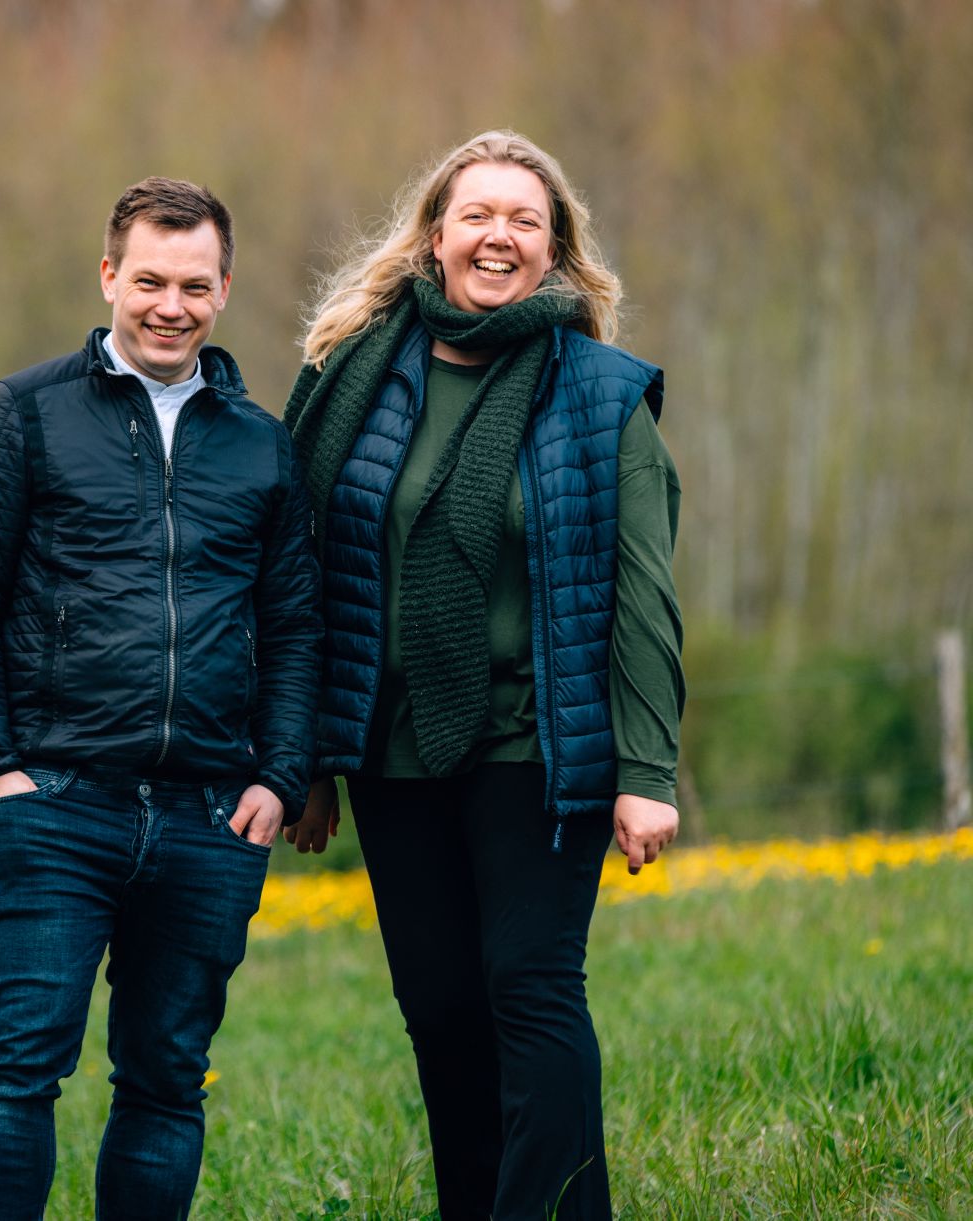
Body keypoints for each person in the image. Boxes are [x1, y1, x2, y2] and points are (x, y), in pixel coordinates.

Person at [280, 130, 683, 1219]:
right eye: (477, 215)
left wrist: (647, 768)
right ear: (434, 236)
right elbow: (304, 573)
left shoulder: (599, 395)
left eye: (525, 220)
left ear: (556, 253)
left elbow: (641, 594)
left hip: (540, 748)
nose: (498, 235)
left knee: (531, 990)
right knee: (443, 1008)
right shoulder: (346, 378)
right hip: (391, 754)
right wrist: (306, 756)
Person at [0, 177, 319, 1220]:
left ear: (225, 290)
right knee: (18, 1068)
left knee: (165, 1082)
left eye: (195, 285)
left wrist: (280, 776)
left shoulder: (261, 444)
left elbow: (292, 627)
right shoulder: (21, 415)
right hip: (53, 801)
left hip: (208, 817)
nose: (169, 306)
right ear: (109, 275)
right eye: (149, 280)